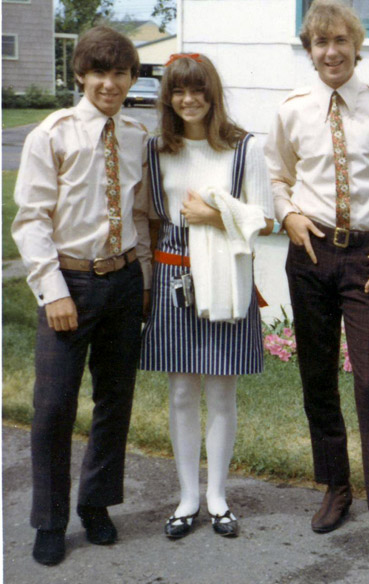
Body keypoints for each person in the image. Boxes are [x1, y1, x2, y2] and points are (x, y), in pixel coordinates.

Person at [265, 0, 369, 564]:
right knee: (316, 376)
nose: (331, 51)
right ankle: (336, 487)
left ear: (357, 46)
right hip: (310, 255)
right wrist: (286, 214)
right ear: (309, 51)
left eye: (341, 41)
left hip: (368, 259)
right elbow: (276, 173)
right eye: (320, 42)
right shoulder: (292, 108)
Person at [11, 25, 151, 566]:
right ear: (80, 75)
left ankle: (96, 504)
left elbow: (140, 214)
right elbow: (31, 220)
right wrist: (53, 291)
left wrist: (140, 281)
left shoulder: (137, 136)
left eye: (120, 73)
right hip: (69, 282)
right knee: (53, 407)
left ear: (132, 78)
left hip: (121, 283)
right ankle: (50, 519)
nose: (109, 84)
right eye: (99, 73)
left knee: (114, 401)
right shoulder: (53, 134)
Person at [138, 53, 274, 540]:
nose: (188, 99)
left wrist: (216, 218)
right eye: (178, 91)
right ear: (168, 98)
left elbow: (267, 219)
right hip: (175, 277)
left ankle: (217, 496)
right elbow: (150, 218)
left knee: (219, 390)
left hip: (226, 278)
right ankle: (187, 497)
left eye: (197, 90)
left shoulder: (244, 149)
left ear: (212, 94)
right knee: (180, 392)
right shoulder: (156, 149)